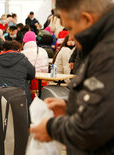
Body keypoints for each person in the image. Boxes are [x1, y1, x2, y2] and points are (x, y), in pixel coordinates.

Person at [30, 0, 114, 154]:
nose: (71, 36)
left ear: (87, 19)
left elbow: (92, 128)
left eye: (71, 28)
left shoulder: (108, 51)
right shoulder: (102, 43)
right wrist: (72, 106)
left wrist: (50, 128)